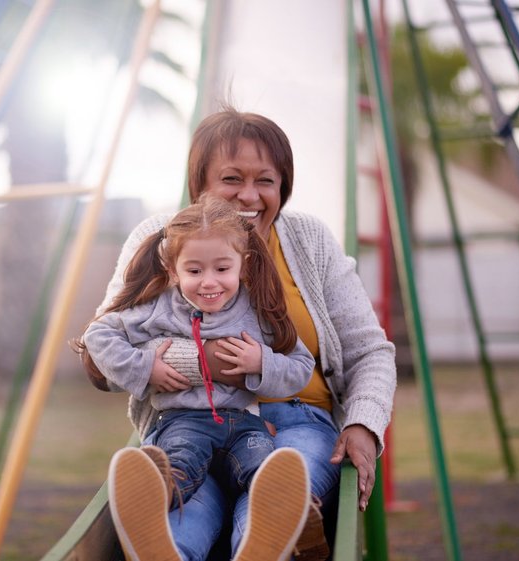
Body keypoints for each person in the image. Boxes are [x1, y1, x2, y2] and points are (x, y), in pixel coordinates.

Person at [87, 107, 397, 561]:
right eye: (231, 179)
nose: (249, 196)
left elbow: (369, 350)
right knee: (187, 501)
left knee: (276, 486)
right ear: (201, 185)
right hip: (192, 417)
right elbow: (100, 351)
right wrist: (192, 362)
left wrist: (364, 422)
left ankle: (265, 545)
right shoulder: (162, 240)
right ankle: (166, 550)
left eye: (265, 181)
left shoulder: (310, 240)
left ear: (282, 186)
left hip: (299, 419)